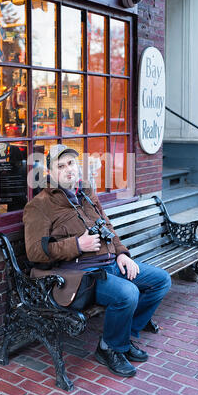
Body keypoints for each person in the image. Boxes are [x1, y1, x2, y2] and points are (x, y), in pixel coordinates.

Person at [23, 144, 171, 378]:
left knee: (161, 280)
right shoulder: (40, 205)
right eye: (60, 166)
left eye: (71, 163)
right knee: (127, 293)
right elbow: (34, 252)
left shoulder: (87, 193)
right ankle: (108, 348)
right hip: (82, 276)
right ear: (50, 173)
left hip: (110, 262)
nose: (68, 169)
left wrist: (122, 253)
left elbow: (107, 226)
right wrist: (77, 245)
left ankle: (122, 338)